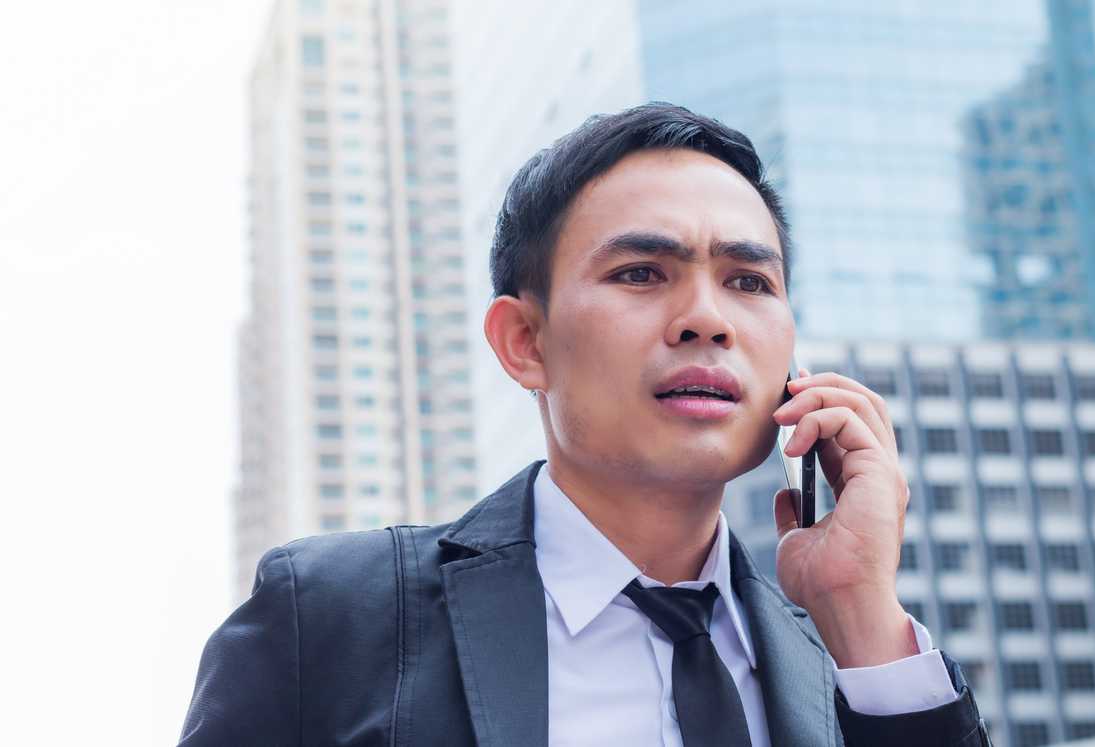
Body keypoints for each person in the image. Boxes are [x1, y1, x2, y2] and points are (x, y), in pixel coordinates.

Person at [179, 103, 990, 746]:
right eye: (641, 273)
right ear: (526, 342)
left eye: (748, 281)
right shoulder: (333, 617)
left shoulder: (851, 671)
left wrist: (859, 614)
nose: (707, 318)